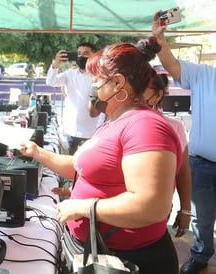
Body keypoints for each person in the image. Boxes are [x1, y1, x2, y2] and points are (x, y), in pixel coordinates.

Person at [20, 38, 182, 274]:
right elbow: (80, 167)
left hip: (127, 260)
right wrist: (37, 152)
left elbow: (152, 207)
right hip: (101, 252)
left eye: (96, 80)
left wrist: (83, 207)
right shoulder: (114, 119)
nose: (92, 87)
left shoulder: (145, 126)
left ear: (117, 83)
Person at [152, 11, 216, 274]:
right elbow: (172, 65)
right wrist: (159, 38)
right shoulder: (205, 75)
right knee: (203, 219)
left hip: (200, 165)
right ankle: (201, 256)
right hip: (201, 165)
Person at [143, 72, 191, 238]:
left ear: (157, 96)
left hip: (159, 208)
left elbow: (183, 172)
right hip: (118, 207)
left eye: (143, 89)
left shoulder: (174, 127)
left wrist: (185, 210)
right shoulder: (116, 122)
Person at [46, 42, 100, 155]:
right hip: (72, 129)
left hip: (92, 130)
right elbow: (51, 81)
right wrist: (56, 63)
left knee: (88, 163)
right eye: (79, 53)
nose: (81, 57)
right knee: (70, 163)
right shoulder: (70, 74)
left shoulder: (100, 76)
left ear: (94, 56)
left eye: (86, 54)